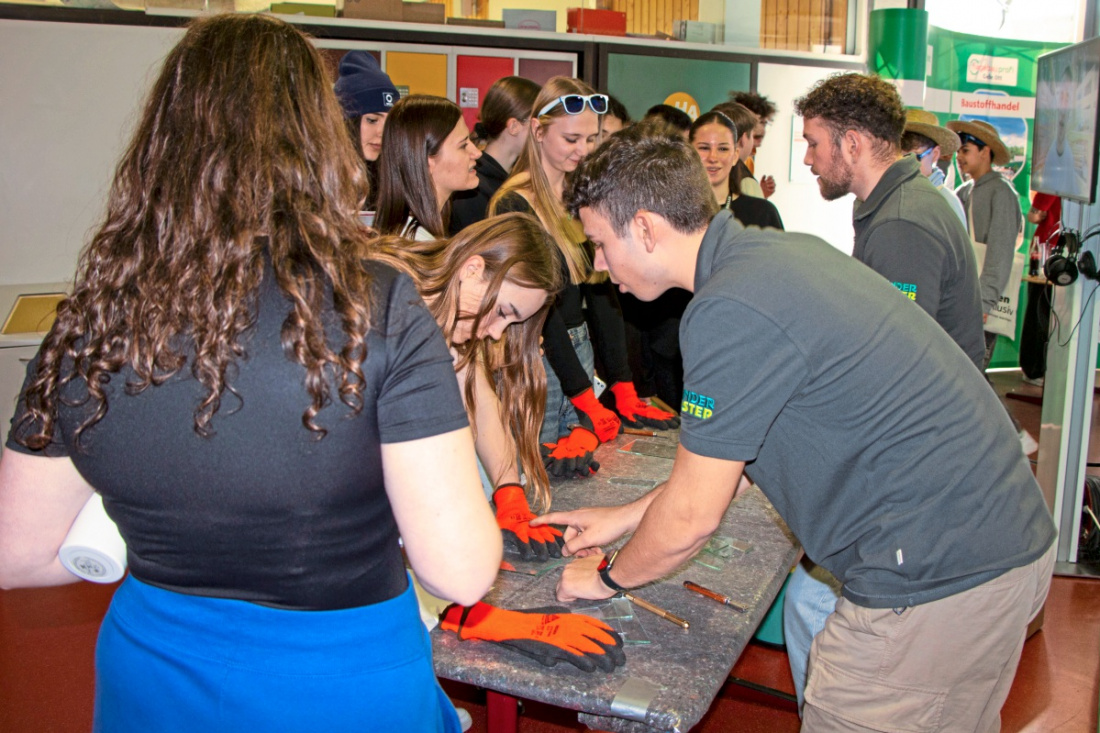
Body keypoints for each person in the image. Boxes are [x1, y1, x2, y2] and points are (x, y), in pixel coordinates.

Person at [0, 14, 502, 733]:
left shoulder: (95, 315)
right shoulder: (377, 305)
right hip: (338, 679)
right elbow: (460, 570)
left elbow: (18, 553)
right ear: (317, 139)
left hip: (154, 670)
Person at [536, 130, 1055, 733]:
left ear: (646, 229)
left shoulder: (728, 307)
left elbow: (693, 516)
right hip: (999, 544)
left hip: (935, 580)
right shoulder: (777, 257)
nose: (599, 266)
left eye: (600, 244)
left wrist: (607, 576)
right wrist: (626, 518)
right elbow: (732, 462)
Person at [789, 72, 985, 712]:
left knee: (809, 601)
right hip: (927, 448)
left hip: (926, 460)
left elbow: (895, 374)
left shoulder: (902, 222)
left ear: (852, 143)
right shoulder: (896, 205)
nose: (808, 158)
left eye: (814, 143)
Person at [489, 77, 678, 456]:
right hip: (536, 355)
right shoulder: (513, 203)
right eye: (571, 139)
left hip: (580, 349)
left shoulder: (581, 197)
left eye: (591, 139)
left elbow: (600, 286)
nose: (583, 150)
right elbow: (539, 309)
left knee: (581, 467)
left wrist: (622, 383)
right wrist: (581, 393)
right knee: (537, 463)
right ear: (537, 131)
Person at [947, 118, 1025, 370]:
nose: (959, 157)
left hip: (979, 306)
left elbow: (999, 255)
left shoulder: (1001, 193)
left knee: (971, 374)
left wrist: (983, 302)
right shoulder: (964, 190)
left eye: (965, 150)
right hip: (961, 299)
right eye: (958, 151)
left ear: (985, 152)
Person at [375, 94, 481, 240]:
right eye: (463, 145)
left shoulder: (412, 233)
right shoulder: (417, 243)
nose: (477, 153)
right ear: (427, 162)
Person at [450, 76, 540, 233]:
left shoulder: (511, 177)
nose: (541, 133)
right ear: (514, 127)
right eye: (536, 124)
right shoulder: (472, 189)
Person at [690, 110, 783, 230]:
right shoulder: (671, 213)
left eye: (723, 149)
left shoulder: (763, 213)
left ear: (735, 156)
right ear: (688, 153)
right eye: (704, 148)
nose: (713, 158)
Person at [334, 50, 399, 213]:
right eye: (372, 120)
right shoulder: (319, 182)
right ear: (347, 123)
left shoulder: (389, 181)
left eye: (389, 122)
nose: (382, 133)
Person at [901, 108, 967, 227]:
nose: (905, 165)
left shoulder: (947, 203)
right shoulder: (892, 195)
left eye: (914, 157)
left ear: (935, 154)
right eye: (898, 158)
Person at [711, 102, 767, 200]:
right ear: (743, 139)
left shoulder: (703, 172)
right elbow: (757, 209)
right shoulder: (746, 182)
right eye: (752, 135)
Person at [731, 90, 778, 197]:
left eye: (764, 123)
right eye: (756, 122)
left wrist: (761, 194)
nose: (761, 129)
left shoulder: (748, 160)